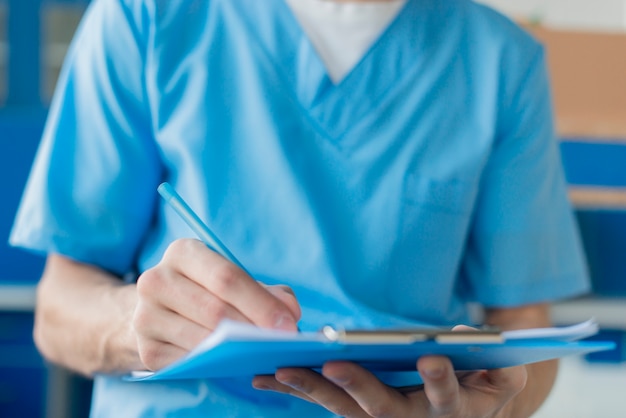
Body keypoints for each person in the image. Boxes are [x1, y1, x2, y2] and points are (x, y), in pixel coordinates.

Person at [10, 0, 590, 416]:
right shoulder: (146, 18)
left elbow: (525, 327)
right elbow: (58, 311)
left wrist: (491, 411)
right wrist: (137, 325)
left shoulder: (500, 61)